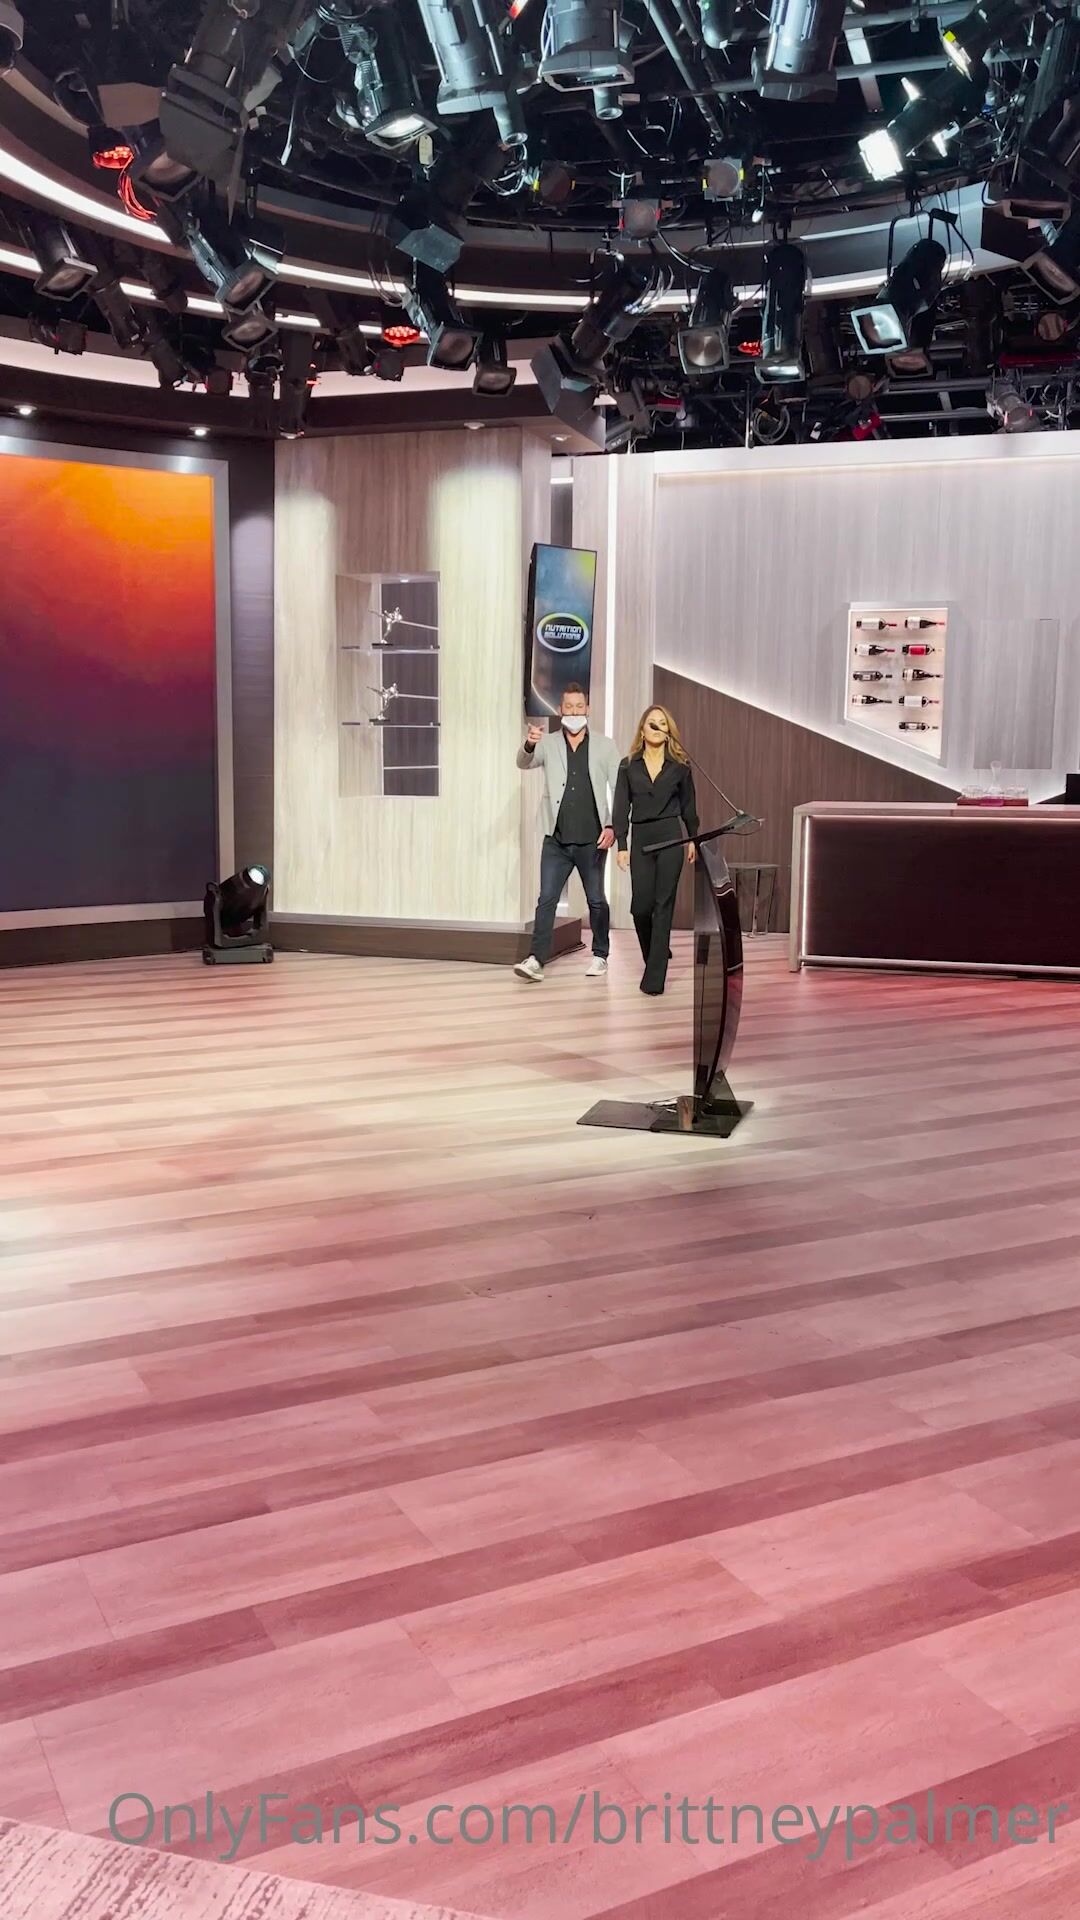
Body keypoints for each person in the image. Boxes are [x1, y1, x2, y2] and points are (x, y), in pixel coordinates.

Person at [515, 684, 620, 982]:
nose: (574, 711)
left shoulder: (605, 746)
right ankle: (536, 959)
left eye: (579, 706)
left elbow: (619, 788)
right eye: (569, 707)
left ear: (587, 709)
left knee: (596, 900)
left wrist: (613, 826)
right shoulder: (547, 743)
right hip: (556, 840)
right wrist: (529, 744)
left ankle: (600, 955)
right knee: (546, 899)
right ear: (560, 710)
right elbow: (523, 763)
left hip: (593, 840)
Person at [613, 705, 699, 996]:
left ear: (668, 731)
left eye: (663, 723)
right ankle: (657, 954)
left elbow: (689, 806)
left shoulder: (680, 766)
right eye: (652, 723)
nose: (657, 727)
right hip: (641, 839)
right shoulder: (628, 765)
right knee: (640, 908)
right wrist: (622, 845)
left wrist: (692, 839)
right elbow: (620, 807)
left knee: (663, 906)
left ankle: (654, 978)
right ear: (642, 729)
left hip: (670, 838)